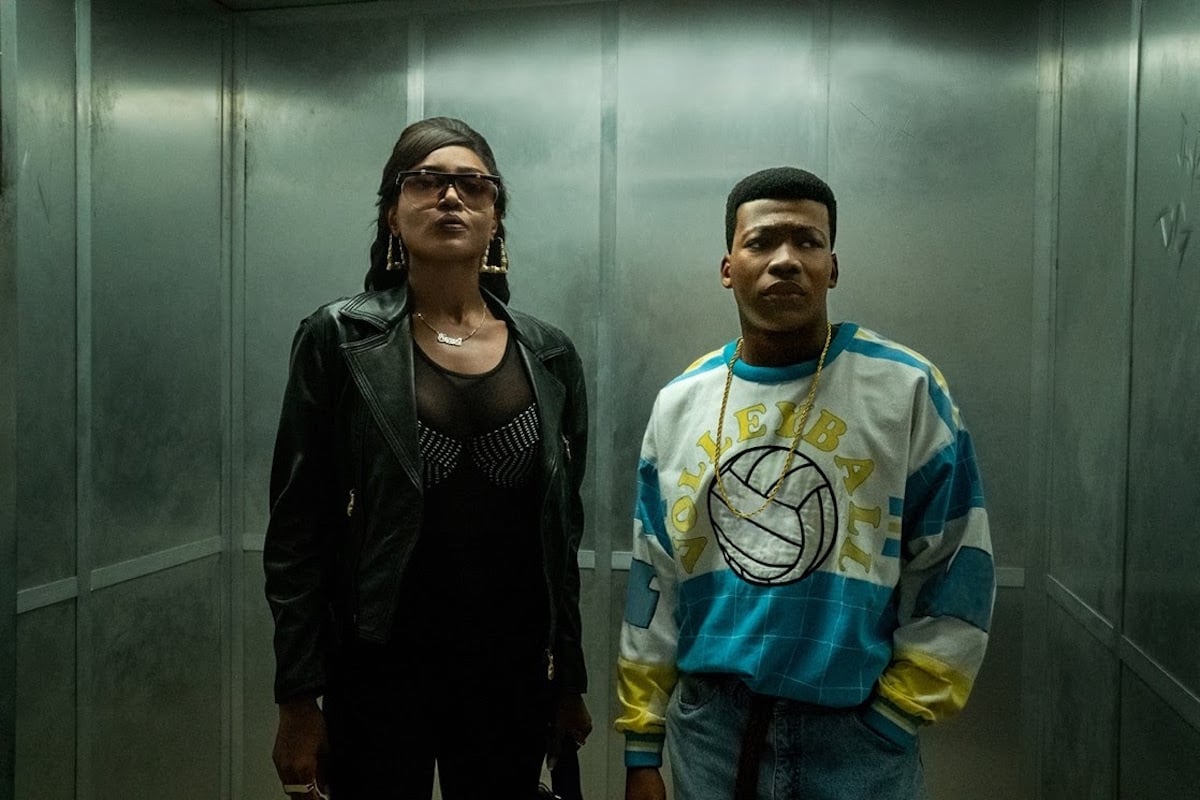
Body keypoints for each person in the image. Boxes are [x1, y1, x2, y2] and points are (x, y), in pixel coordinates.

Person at [615, 167, 994, 800]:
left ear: (832, 267)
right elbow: (655, 578)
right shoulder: (681, 403)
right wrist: (640, 742)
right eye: (761, 241)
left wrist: (896, 717)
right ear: (728, 268)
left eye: (807, 241)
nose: (785, 259)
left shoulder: (904, 388)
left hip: (857, 740)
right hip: (711, 736)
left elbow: (959, 559)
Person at [264, 116, 592, 800]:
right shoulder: (338, 339)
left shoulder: (550, 355)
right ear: (393, 211)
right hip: (378, 672)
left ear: (495, 217)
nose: (450, 196)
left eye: (473, 184)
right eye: (426, 180)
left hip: (509, 675)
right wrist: (298, 697)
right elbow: (298, 532)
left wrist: (568, 681)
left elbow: (561, 538)